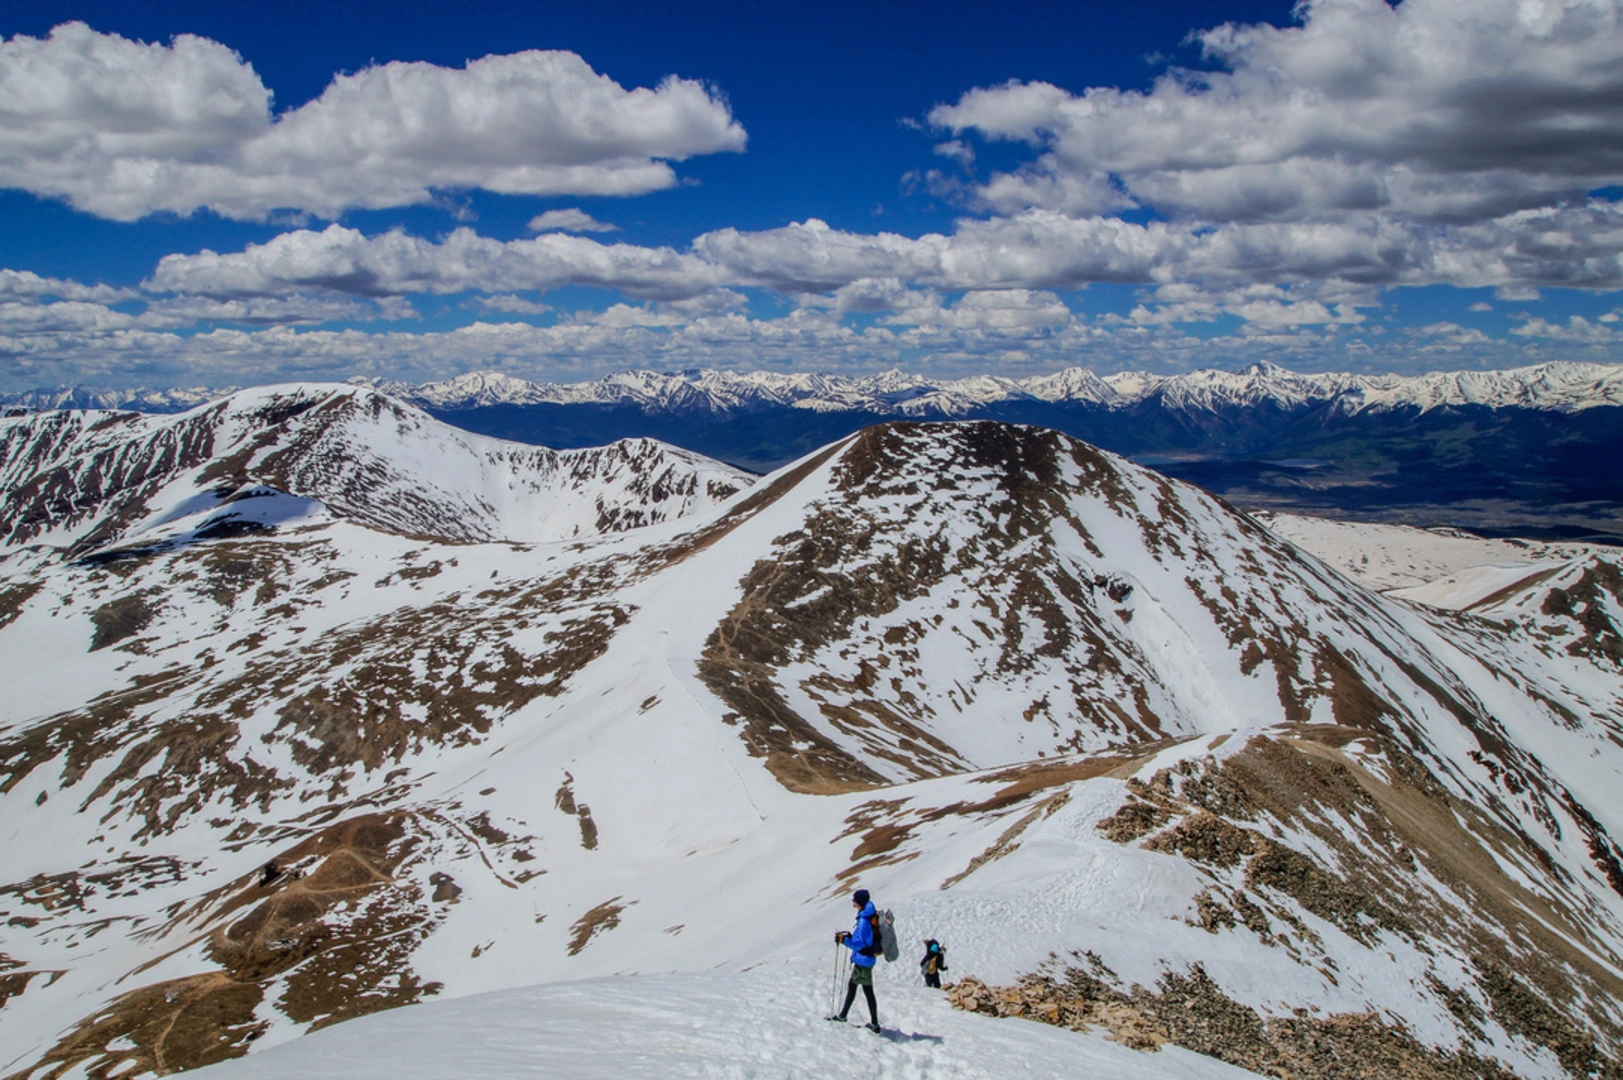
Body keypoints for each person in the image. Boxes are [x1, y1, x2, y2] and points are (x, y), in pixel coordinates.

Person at [828, 887, 881, 1032]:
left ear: (859, 902)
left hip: (863, 960)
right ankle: (846, 1016)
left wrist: (844, 940)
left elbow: (860, 944)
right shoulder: (866, 915)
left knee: (864, 990)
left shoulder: (864, 920)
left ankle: (873, 1024)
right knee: (856, 987)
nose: (853, 902)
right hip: (865, 960)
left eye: (855, 900)